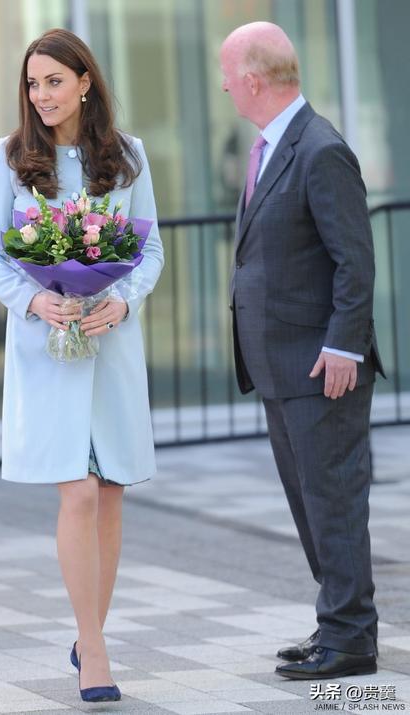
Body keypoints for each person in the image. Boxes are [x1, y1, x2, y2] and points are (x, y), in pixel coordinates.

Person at [0, 28, 164, 703]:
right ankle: (97, 648)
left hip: (109, 345)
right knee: (76, 491)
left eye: (54, 80)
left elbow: (152, 251)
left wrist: (123, 300)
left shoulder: (130, 155)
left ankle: (90, 637)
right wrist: (34, 302)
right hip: (46, 349)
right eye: (33, 83)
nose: (42, 94)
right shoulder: (9, 157)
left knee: (109, 492)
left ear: (85, 81)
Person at [221, 22, 384, 679]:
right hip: (280, 365)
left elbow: (356, 261)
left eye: (229, 74)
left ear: (254, 81)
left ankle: (350, 638)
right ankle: (338, 623)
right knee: (309, 503)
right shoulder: (272, 147)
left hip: (323, 368)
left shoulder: (320, 150)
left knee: (333, 501)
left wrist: (345, 344)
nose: (225, 85)